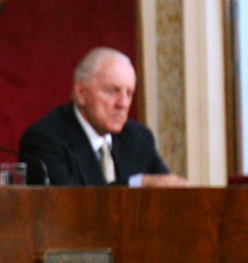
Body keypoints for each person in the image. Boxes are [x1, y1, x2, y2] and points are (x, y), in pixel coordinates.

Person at [18, 47, 187, 187]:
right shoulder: (45, 140)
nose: (123, 103)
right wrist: (137, 183)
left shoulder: (138, 138)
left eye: (129, 93)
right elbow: (68, 208)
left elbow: (167, 190)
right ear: (81, 93)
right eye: (113, 91)